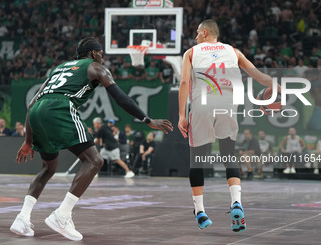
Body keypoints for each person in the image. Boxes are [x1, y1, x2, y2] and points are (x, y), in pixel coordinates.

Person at [10, 37, 173, 241]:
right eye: (102, 53)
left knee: (48, 168)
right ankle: (62, 215)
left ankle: (22, 218)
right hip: (60, 108)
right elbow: (121, 97)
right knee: (95, 161)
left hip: (37, 111)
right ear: (95, 53)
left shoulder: (59, 68)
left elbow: (33, 103)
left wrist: (27, 140)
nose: (103, 57)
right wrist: (147, 119)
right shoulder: (96, 67)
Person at [178, 20, 279, 232]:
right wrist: (275, 85)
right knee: (228, 153)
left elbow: (185, 83)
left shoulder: (191, 52)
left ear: (205, 33)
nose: (195, 37)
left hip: (203, 104)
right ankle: (236, 202)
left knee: (197, 158)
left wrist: (181, 115)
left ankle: (200, 210)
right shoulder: (234, 51)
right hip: (227, 104)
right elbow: (258, 75)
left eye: (197, 33)